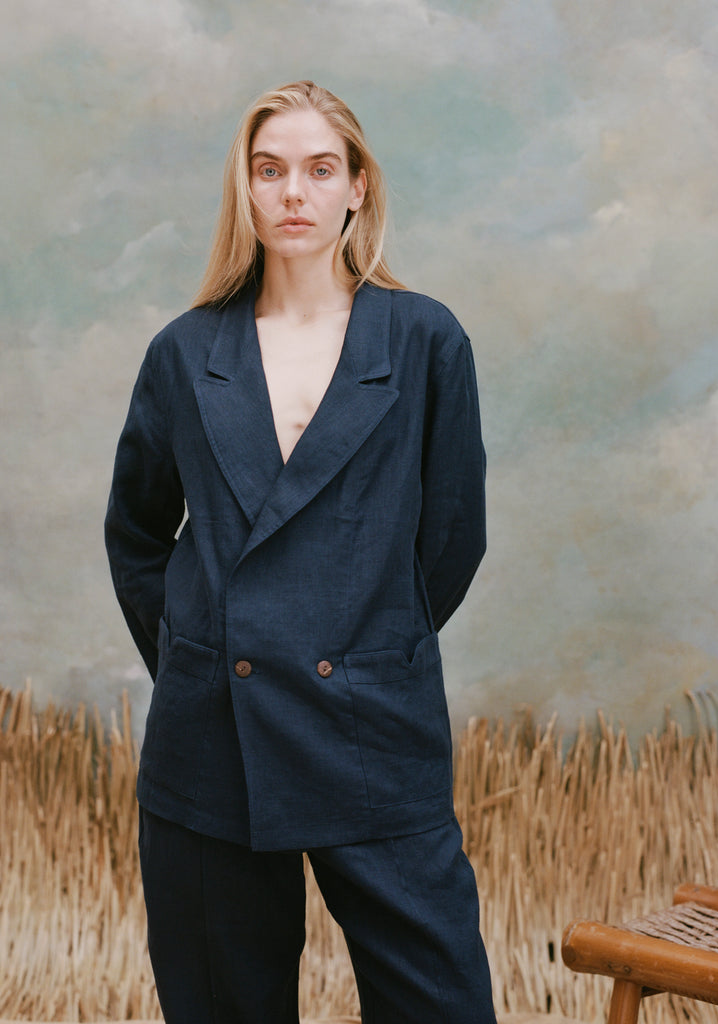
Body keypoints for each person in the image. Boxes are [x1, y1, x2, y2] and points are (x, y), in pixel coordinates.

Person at [105, 80, 495, 1024]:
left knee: (438, 1002)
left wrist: (368, 639)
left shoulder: (423, 338)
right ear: (244, 189)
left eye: (320, 170)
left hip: (372, 723)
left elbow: (451, 537)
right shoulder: (183, 350)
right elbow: (136, 531)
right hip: (210, 736)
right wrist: (205, 652)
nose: (293, 193)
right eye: (269, 170)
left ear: (357, 187)